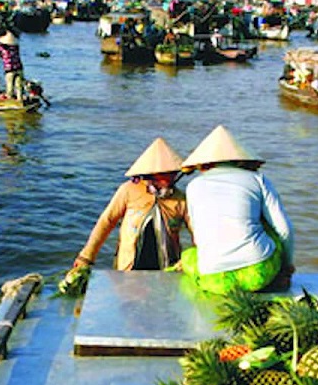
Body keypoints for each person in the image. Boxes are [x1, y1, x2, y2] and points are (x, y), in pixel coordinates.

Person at [179, 125, 295, 294]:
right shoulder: (258, 179)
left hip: (214, 280)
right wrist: (287, 265)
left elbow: (197, 235)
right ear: (241, 160)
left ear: (203, 165)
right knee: (268, 227)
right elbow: (284, 228)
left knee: (188, 256)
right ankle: (275, 278)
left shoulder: (193, 186)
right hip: (259, 273)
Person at [67, 138, 192, 282]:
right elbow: (106, 222)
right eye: (165, 173)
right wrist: (86, 257)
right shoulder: (128, 191)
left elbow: (198, 233)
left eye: (173, 173)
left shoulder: (180, 200)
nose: (171, 177)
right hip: (129, 267)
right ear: (152, 172)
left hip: (166, 268)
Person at [0, 30, 24, 100]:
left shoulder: (3, 49)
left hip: (10, 70)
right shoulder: (16, 48)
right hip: (19, 68)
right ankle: (20, 99)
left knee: (10, 87)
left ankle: (10, 99)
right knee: (19, 86)